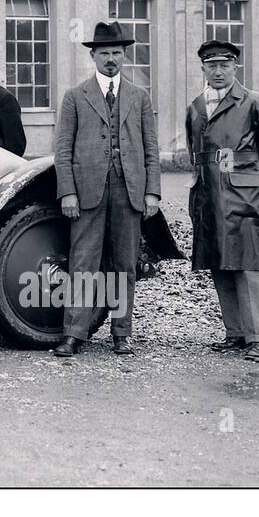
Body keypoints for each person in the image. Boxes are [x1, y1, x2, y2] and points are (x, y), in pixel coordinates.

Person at [53, 21, 161, 357]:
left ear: (125, 56)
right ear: (93, 56)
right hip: (87, 191)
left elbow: (151, 149)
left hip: (129, 190)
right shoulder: (75, 96)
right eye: (104, 53)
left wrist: (151, 192)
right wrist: (67, 192)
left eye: (116, 53)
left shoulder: (139, 97)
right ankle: (74, 333)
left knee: (124, 264)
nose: (110, 59)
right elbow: (63, 150)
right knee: (83, 261)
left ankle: (122, 333)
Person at [185, 40, 259, 363]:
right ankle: (235, 333)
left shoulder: (256, 103)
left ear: (234, 68)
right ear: (203, 68)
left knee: (248, 265)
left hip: (246, 197)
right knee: (220, 263)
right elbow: (194, 152)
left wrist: (247, 174)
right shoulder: (196, 107)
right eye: (211, 66)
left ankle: (258, 337)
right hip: (209, 196)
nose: (218, 72)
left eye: (224, 66)